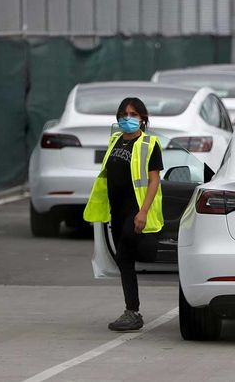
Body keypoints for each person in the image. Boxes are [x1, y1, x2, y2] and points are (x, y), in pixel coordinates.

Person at [84, 97, 164, 332]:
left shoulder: (150, 144)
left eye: (133, 115)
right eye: (124, 114)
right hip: (116, 211)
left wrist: (143, 212)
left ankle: (133, 311)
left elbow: (153, 180)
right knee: (123, 260)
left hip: (136, 211)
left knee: (126, 252)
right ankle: (132, 311)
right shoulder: (115, 141)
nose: (127, 119)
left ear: (142, 119)